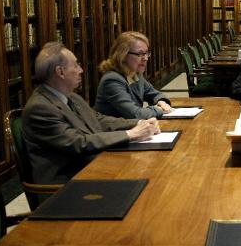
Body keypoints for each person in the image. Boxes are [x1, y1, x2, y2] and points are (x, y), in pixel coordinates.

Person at [23, 42, 160, 184]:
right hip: (68, 183)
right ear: (60, 72)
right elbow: (78, 143)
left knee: (152, 169)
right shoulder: (40, 108)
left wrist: (138, 123)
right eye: (76, 65)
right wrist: (130, 134)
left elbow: (98, 119)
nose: (81, 70)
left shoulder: (72, 97)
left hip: (92, 167)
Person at [95, 31, 172, 119]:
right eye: (140, 54)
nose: (145, 58)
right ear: (122, 55)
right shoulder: (112, 80)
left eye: (146, 53)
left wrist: (161, 101)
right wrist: (158, 110)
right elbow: (135, 114)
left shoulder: (134, 74)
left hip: (132, 128)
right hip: (115, 130)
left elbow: (154, 94)